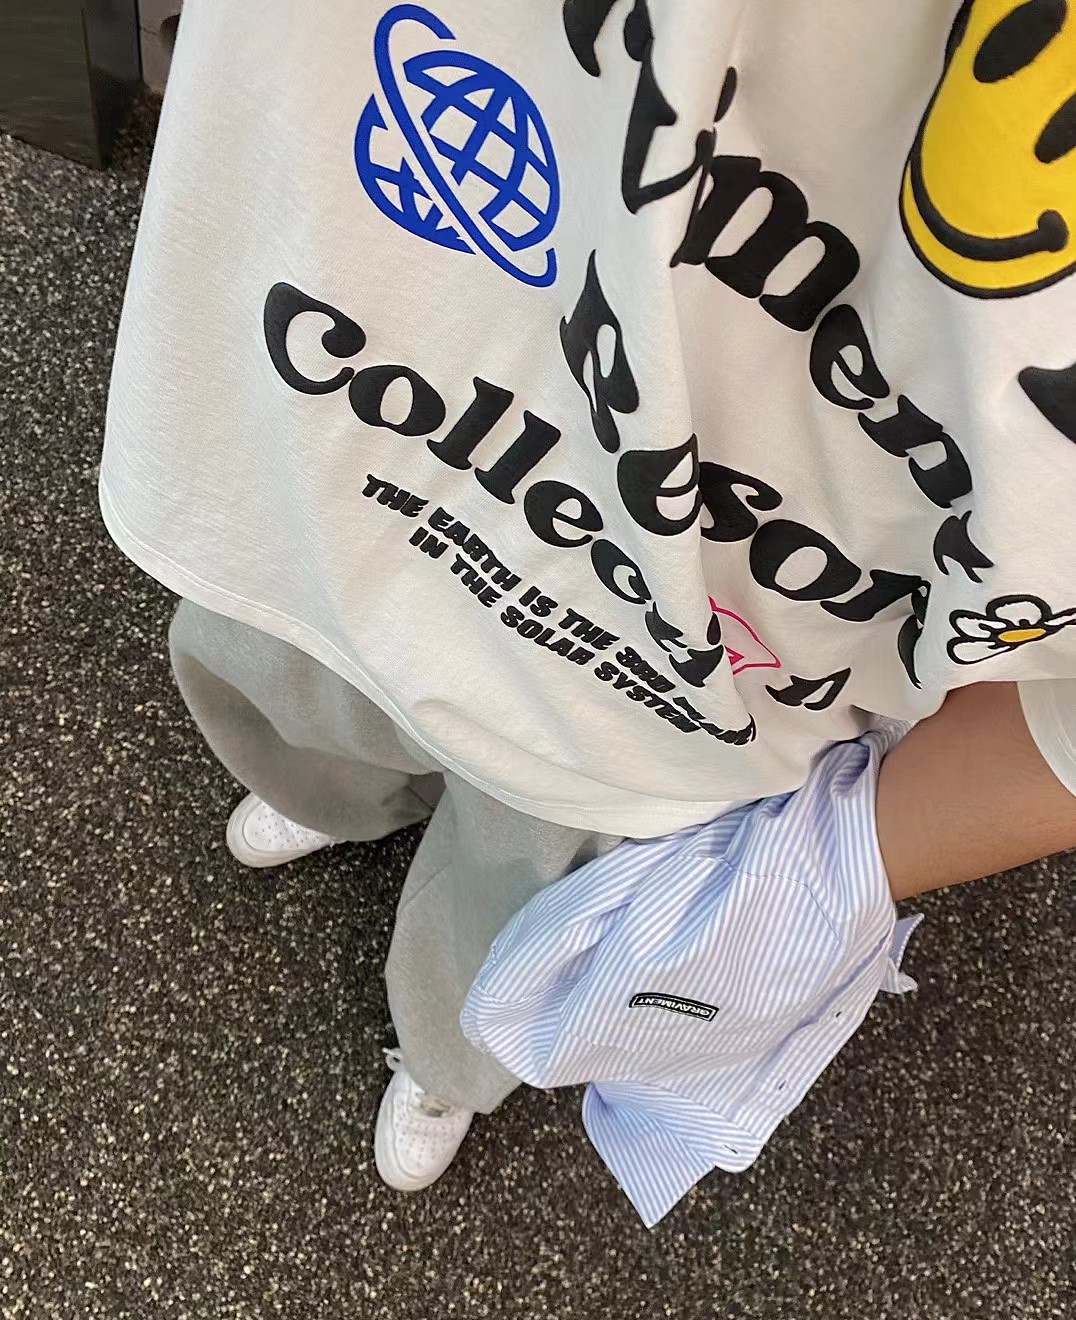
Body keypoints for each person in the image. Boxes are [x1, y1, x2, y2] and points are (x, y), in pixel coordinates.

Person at [100, 0, 1076, 1194]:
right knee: (292, 682)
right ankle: (343, 802)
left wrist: (813, 877)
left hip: (699, 659)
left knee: (516, 899)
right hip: (378, 409)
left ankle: (445, 1057)